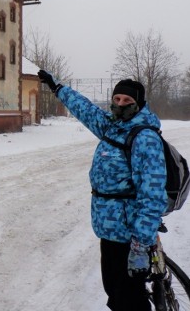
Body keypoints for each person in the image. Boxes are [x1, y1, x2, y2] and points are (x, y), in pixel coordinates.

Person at [38, 70, 167, 311]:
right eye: (117, 99)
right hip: (109, 231)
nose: (120, 104)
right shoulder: (112, 127)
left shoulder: (144, 137)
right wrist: (57, 88)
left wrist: (140, 245)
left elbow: (153, 196)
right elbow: (85, 109)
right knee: (115, 296)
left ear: (139, 104)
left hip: (130, 236)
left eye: (127, 101)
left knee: (130, 301)